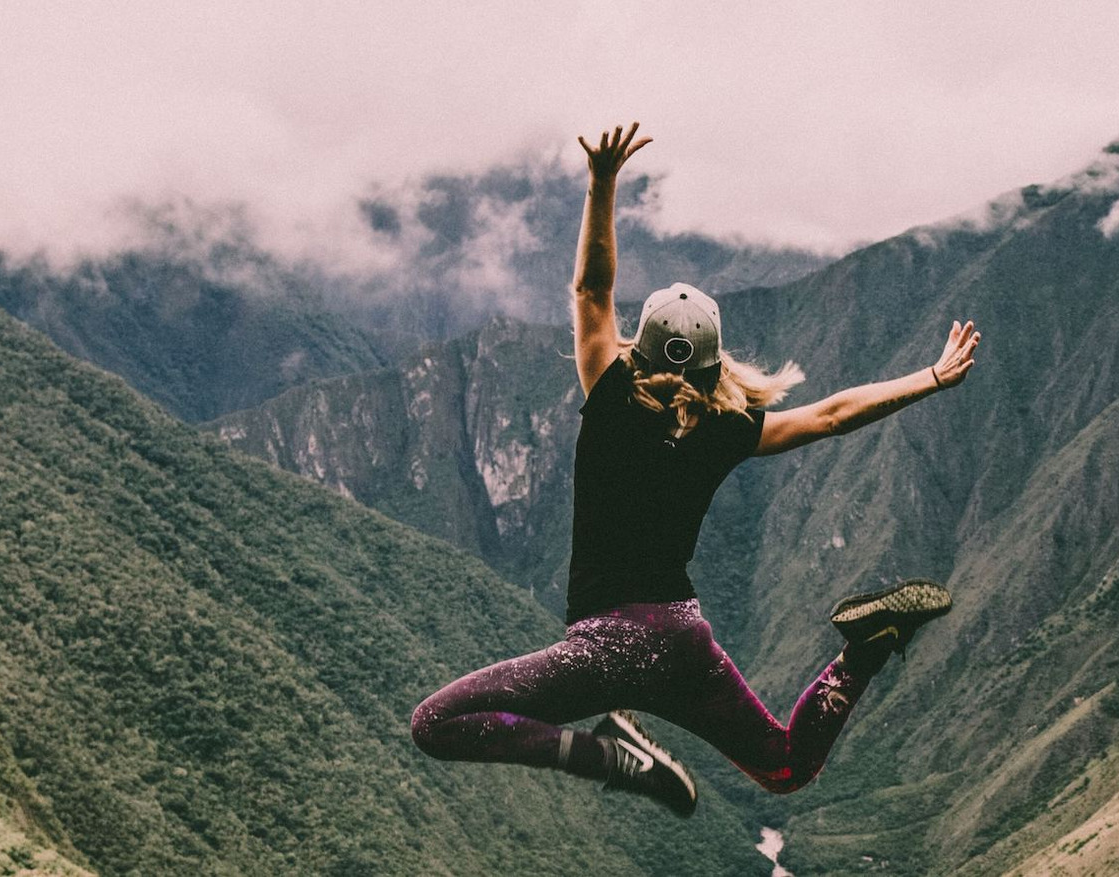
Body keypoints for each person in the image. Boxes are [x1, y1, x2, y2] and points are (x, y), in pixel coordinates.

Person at [410, 123, 981, 817]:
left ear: (639, 350)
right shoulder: (727, 427)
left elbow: (592, 288)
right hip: (683, 640)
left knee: (436, 724)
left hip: (607, 647)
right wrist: (930, 376)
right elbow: (832, 414)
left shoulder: (613, 396)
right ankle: (863, 651)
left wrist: (602, 181)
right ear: (716, 362)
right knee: (784, 764)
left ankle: (608, 756)